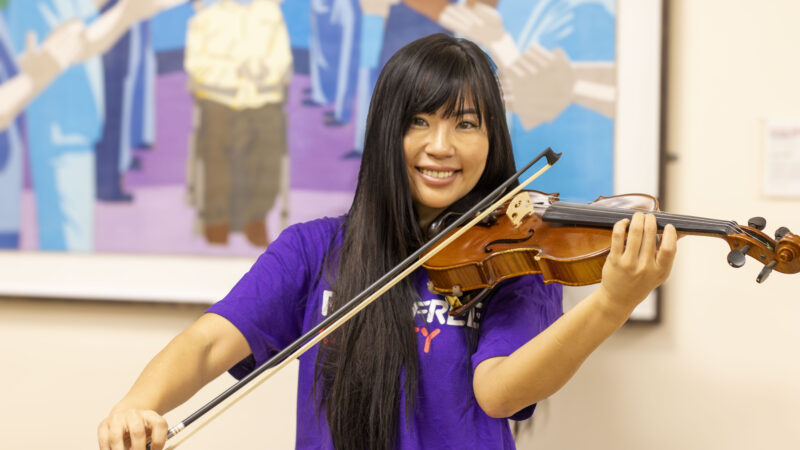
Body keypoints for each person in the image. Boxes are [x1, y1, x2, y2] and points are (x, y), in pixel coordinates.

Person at [97, 33, 677, 450]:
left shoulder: (513, 263)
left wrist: (611, 303)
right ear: (385, 133)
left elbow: (500, 393)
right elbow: (205, 345)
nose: (440, 145)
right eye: (418, 121)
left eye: (466, 123)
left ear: (491, 138)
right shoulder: (313, 251)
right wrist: (135, 407)